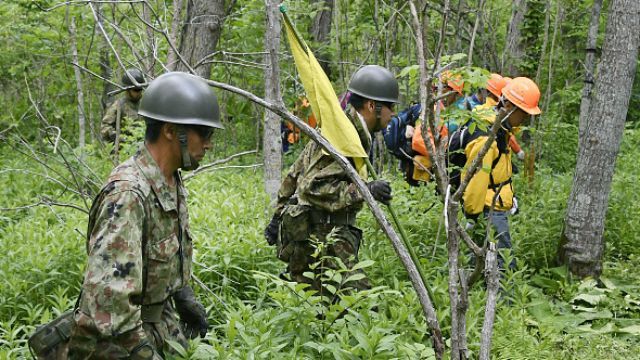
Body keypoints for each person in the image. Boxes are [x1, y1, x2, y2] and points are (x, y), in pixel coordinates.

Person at [68, 72, 223, 359]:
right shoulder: (128, 194)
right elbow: (108, 307)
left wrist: (183, 296)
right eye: (205, 133)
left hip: (157, 323)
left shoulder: (169, 180)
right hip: (117, 341)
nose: (209, 144)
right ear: (169, 131)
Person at [265, 65, 398, 300]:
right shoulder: (345, 135)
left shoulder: (343, 127)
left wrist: (277, 215)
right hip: (323, 238)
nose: (393, 114)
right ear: (371, 106)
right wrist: (365, 191)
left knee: (317, 309)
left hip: (318, 238)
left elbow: (295, 173)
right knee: (358, 308)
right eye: (390, 107)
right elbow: (310, 185)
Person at [461, 77, 542, 270]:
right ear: (507, 105)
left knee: (478, 258)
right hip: (489, 208)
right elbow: (477, 179)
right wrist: (472, 215)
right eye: (522, 113)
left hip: (495, 203)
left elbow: (498, 173)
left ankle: (473, 288)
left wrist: (508, 196)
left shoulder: (502, 130)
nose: (524, 119)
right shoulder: (487, 137)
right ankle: (505, 300)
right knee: (504, 261)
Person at [101, 68, 146, 152]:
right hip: (123, 150)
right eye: (136, 90)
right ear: (127, 90)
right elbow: (105, 127)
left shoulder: (145, 104)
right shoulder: (118, 105)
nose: (139, 92)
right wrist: (117, 137)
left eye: (140, 89)